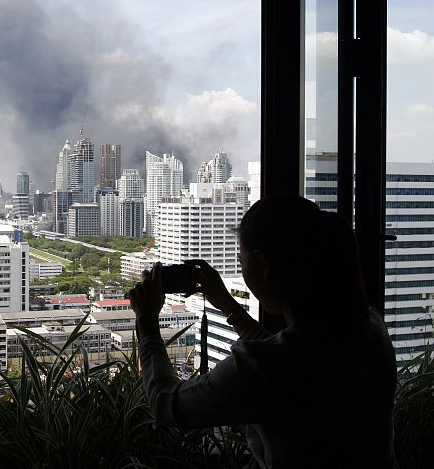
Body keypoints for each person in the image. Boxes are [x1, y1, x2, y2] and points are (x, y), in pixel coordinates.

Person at [127, 193, 397, 469]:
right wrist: (226, 304)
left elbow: (166, 404)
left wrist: (147, 323)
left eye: (241, 259)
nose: (241, 266)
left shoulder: (263, 367)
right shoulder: (373, 330)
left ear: (263, 264)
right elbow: (290, 358)